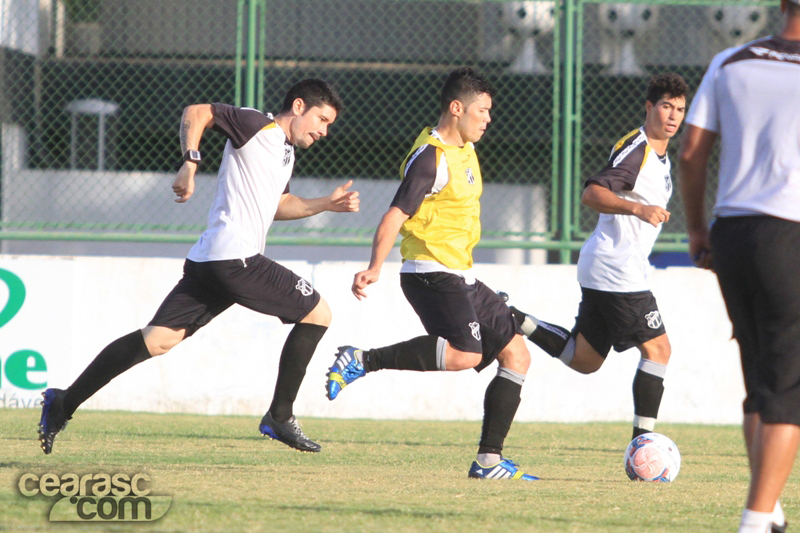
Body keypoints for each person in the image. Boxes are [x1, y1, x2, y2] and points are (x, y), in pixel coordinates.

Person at [38, 79, 360, 455]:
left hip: (211, 261)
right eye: (322, 119)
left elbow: (279, 205)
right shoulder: (257, 124)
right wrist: (190, 163)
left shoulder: (284, 152)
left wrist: (326, 204)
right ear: (299, 106)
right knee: (318, 313)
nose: (324, 131)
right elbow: (197, 112)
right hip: (236, 259)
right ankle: (280, 415)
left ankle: (63, 403)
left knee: (158, 339)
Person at [324, 67, 538, 481]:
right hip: (429, 272)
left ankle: (488, 463)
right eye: (482, 110)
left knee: (517, 355)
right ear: (457, 109)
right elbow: (394, 216)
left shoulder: (465, 148)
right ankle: (362, 360)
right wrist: (374, 267)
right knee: (466, 353)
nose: (488, 118)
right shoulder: (431, 159)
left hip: (462, 274)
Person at [504, 73, 688, 442]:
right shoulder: (637, 149)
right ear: (649, 107)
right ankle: (643, 446)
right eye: (666, 106)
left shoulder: (659, 154)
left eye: (680, 109)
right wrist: (637, 209)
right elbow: (592, 193)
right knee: (658, 349)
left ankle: (512, 317)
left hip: (607, 266)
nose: (673, 115)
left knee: (584, 360)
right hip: (617, 269)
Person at [679, 1, 800, 530]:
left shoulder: (731, 60)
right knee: (789, 392)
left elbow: (691, 153)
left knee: (760, 382)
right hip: (791, 232)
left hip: (732, 232)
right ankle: (754, 521)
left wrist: (697, 228)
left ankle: (769, 511)